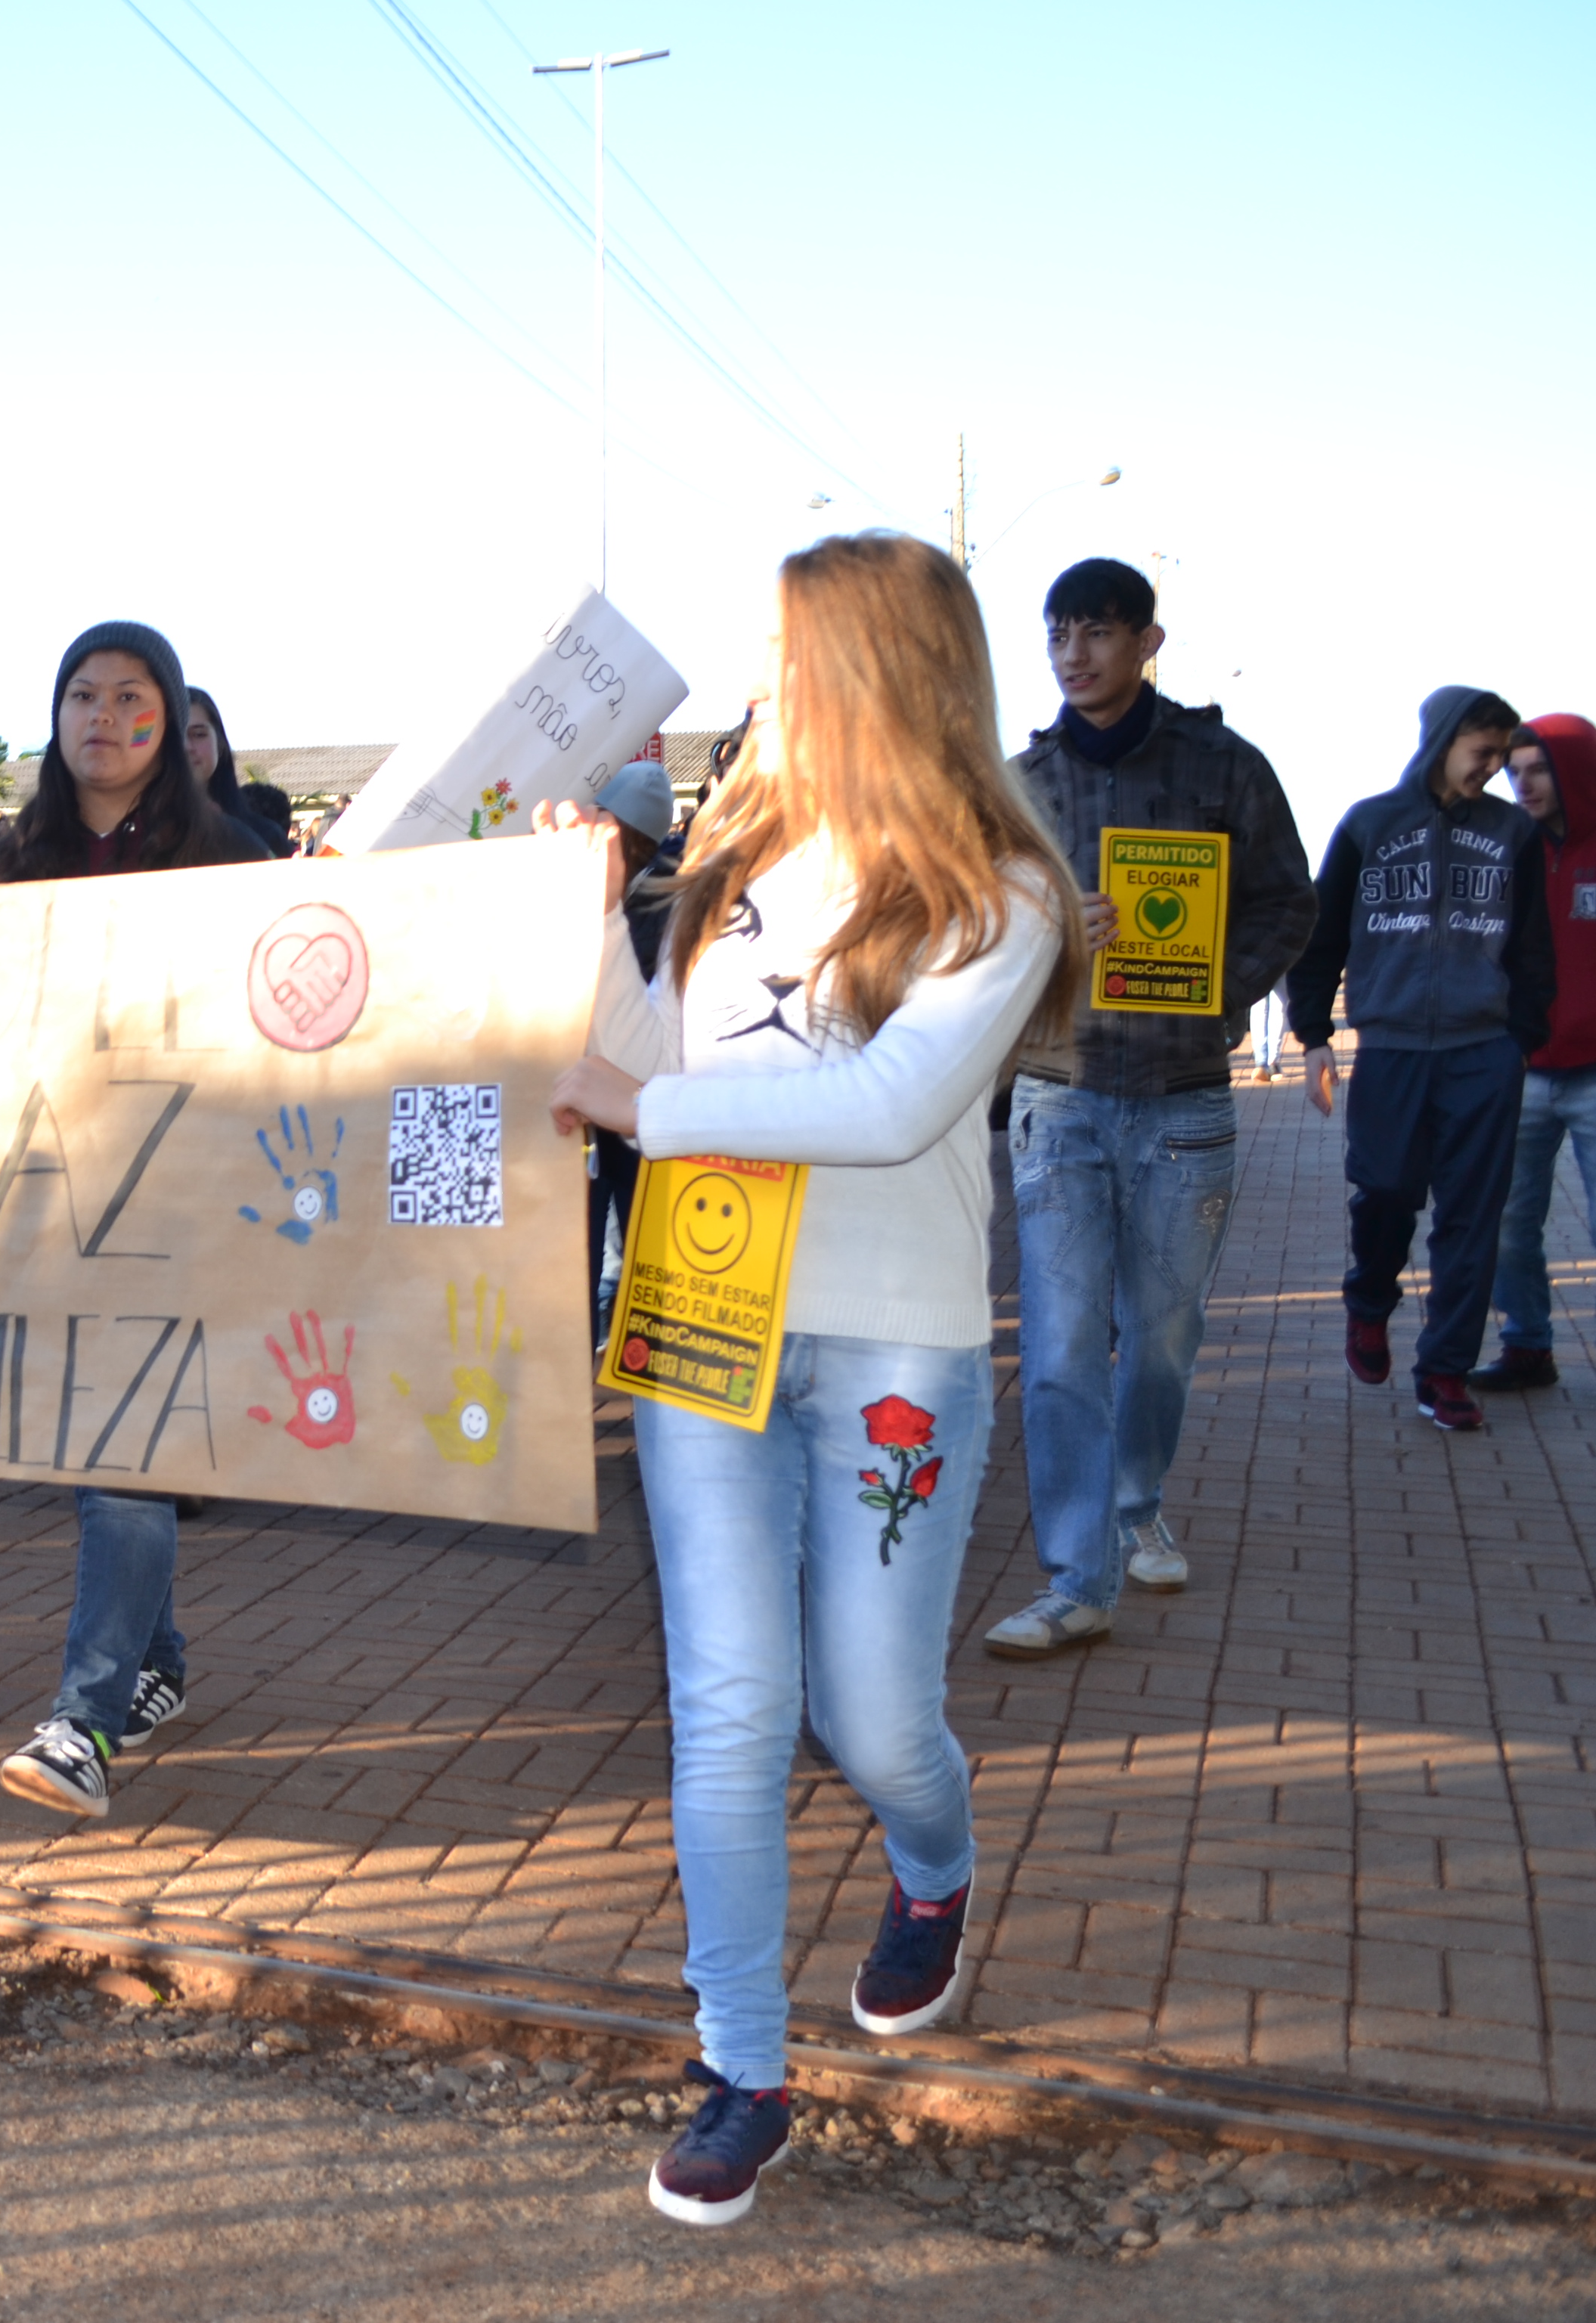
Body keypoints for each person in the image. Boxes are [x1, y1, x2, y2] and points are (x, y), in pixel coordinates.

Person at [547, 532, 1075, 2228]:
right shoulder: (734, 852)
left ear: (875, 667)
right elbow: (652, 1057)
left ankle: (935, 1863)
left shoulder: (1002, 889)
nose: (766, 682)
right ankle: (741, 2067)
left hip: (894, 1345)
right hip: (704, 1319)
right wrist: (588, 924)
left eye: (790, 650)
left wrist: (644, 1109)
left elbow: (886, 1108)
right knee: (728, 1703)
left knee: (869, 1711)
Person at [977, 559, 1316, 1658]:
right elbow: (969, 922)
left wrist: (1216, 990)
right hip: (1061, 1095)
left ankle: (1138, 1505)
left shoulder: (1226, 768)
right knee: (1062, 1345)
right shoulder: (1019, 786)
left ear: (1147, 642)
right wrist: (1041, 932)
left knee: (1162, 1340)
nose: (1073, 655)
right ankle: (1077, 1578)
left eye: (1096, 632)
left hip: (1183, 1100)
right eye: (1057, 635)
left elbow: (1290, 903)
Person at [0, 621, 275, 1822]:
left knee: (125, 1454)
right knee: (105, 1452)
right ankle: (158, 1662)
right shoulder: (9, 869)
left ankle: (85, 1723)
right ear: (55, 719)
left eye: (131, 697)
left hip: (185, 1206)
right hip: (53, 1203)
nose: (103, 717)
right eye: (82, 696)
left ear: (171, 716)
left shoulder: (234, 861)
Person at [1288, 687, 1553, 1430]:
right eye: (1483, 752)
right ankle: (1370, 1299)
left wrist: (1520, 1038)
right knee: (1384, 1191)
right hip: (1392, 1048)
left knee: (1473, 1216)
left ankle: (1445, 1371)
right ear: (1442, 742)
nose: (1493, 769)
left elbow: (1533, 945)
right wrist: (1314, 1034)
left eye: (1501, 755)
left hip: (1484, 1051)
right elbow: (1322, 937)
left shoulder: (1513, 833)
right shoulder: (1369, 824)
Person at [1477, 715, 1596, 1391]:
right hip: (1521, 1070)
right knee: (1506, 1224)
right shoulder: (1503, 852)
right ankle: (1526, 1346)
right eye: (1514, 772)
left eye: (1539, 768)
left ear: (1575, 769)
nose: (1523, 784)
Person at [579, 758, 681, 1341]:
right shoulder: (680, 893)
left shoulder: (602, 888)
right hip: (637, 1100)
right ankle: (631, 1337)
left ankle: (606, 1337)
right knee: (631, 1228)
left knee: (601, 1232)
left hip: (618, 1095)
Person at [185, 686, 293, 856]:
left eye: (198, 734)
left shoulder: (264, 835)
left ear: (220, 744)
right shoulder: (143, 836)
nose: (186, 747)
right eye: (174, 736)